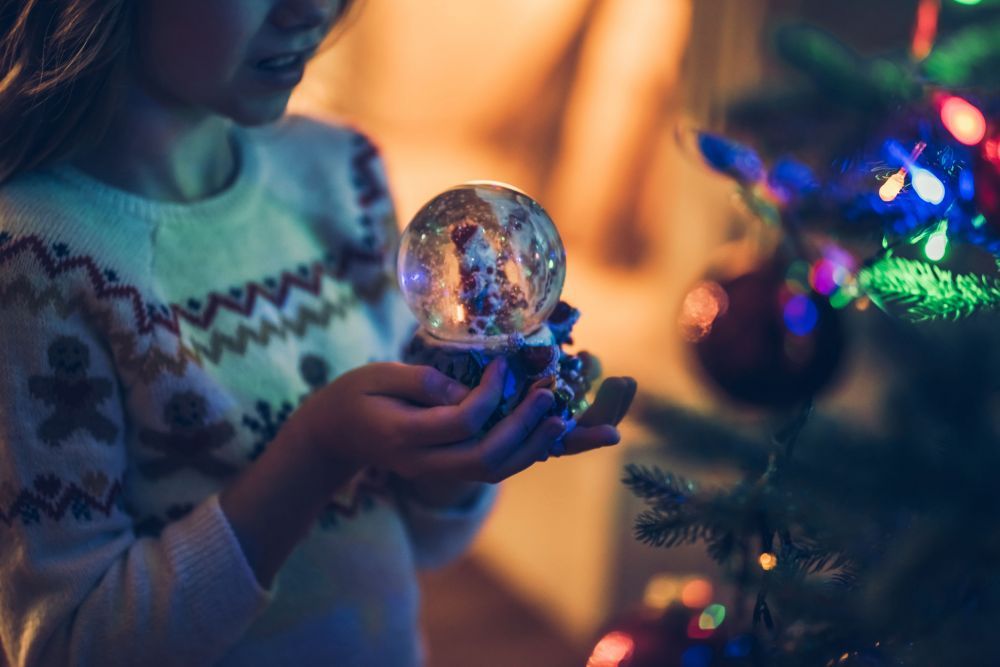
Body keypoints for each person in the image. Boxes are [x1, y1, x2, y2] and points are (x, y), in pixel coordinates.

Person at [0, 1, 635, 665]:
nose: (313, 9)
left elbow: (416, 541)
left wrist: (461, 454)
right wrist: (317, 451)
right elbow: (71, 643)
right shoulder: (34, 263)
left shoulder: (341, 174)